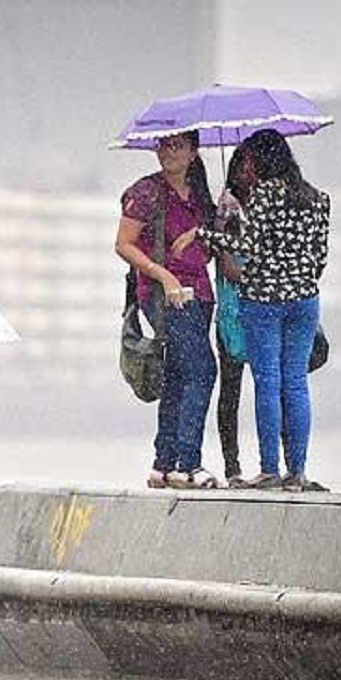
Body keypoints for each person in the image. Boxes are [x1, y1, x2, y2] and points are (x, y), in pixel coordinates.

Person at [173, 128, 330, 491]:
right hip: (305, 301)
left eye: (250, 159)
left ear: (261, 160)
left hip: (263, 301)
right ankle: (297, 472)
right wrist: (297, 278)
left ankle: (270, 469)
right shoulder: (317, 197)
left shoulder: (265, 193)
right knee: (296, 383)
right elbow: (320, 257)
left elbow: (249, 247)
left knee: (268, 382)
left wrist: (202, 234)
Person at [115, 129, 221, 489]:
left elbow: (206, 253)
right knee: (203, 371)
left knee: (178, 375)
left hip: (199, 294)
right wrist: (164, 276)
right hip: (163, 295)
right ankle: (188, 464)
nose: (168, 152)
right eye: (163, 145)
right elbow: (124, 244)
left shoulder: (200, 195)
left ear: (193, 152)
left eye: (177, 145)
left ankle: (163, 463)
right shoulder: (146, 191)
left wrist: (213, 225)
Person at [215, 142, 256, 487]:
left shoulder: (265, 209)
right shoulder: (226, 212)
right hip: (232, 314)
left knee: (269, 389)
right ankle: (233, 469)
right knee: (230, 393)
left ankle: (274, 464)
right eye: (243, 167)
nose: (249, 174)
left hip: (261, 310)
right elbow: (227, 266)